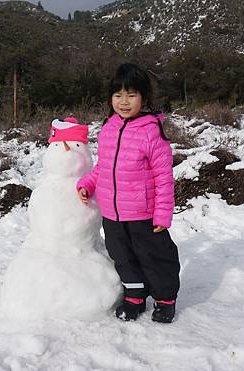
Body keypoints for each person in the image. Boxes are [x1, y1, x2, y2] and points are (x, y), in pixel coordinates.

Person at [76, 63, 180, 323]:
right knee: (122, 258)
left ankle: (165, 299)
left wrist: (163, 214)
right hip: (112, 213)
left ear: (143, 97)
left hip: (142, 213)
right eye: (118, 95)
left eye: (131, 95)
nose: (123, 102)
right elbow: (104, 165)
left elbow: (164, 177)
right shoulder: (109, 128)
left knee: (155, 257)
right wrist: (88, 183)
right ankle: (134, 296)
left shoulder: (151, 132)